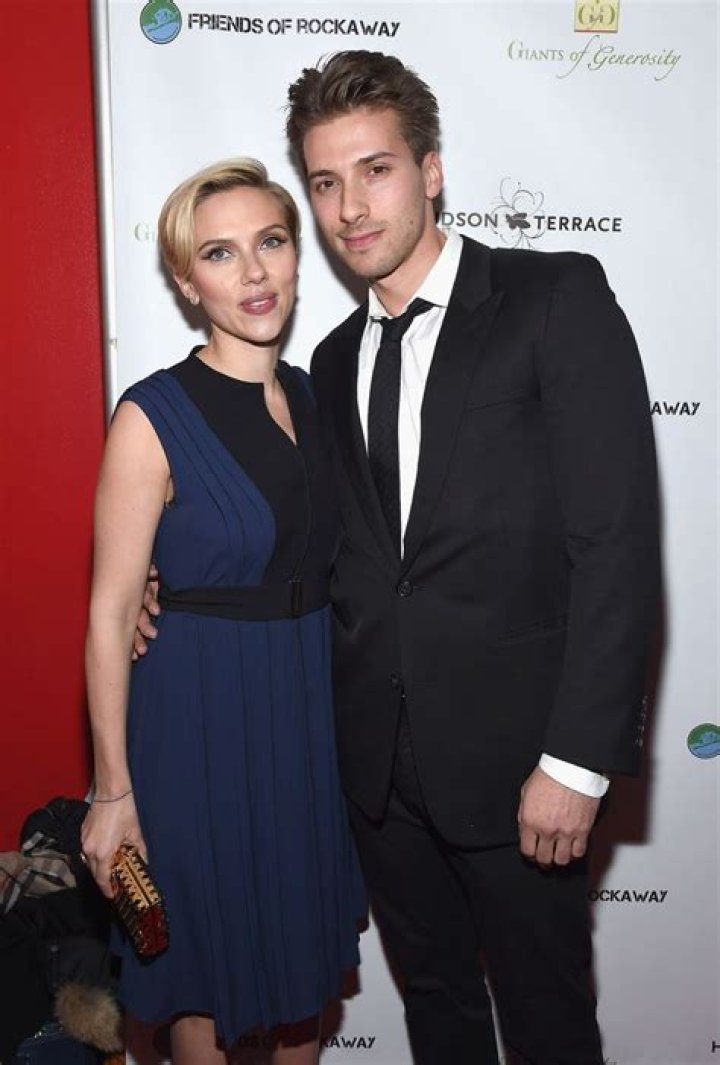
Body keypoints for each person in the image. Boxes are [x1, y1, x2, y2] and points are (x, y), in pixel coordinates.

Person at [136, 51, 659, 1065]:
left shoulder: (552, 298)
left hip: (522, 769)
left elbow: (617, 544)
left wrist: (577, 759)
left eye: (375, 170)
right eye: (326, 182)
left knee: (549, 1024)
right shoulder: (328, 364)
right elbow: (312, 542)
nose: (350, 207)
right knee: (439, 1016)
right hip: (374, 777)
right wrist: (172, 586)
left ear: (431, 170)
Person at [81, 157, 365, 1065]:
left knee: (304, 977)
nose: (252, 272)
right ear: (184, 278)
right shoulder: (151, 416)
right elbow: (109, 613)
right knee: (204, 972)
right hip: (197, 723)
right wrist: (113, 791)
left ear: (297, 254)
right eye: (219, 252)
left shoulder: (319, 395)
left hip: (308, 723)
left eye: (270, 242)